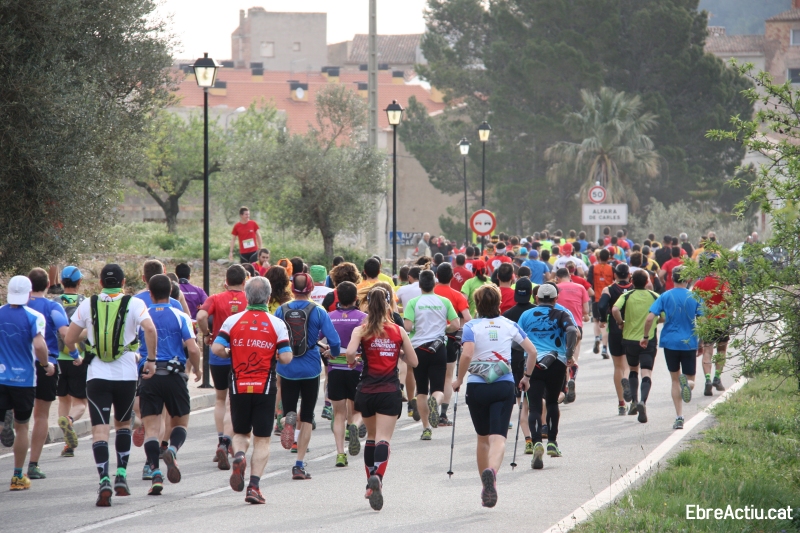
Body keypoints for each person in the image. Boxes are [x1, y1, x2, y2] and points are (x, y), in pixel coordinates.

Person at [64, 264, 157, 506]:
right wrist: (152, 360)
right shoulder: (135, 303)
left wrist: (78, 355)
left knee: (100, 430)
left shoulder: (88, 304)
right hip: (126, 374)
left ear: (101, 283)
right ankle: (122, 475)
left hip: (97, 375)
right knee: (123, 424)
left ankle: (104, 478)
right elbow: (150, 329)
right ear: (124, 282)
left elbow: (69, 338)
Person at [453, 284, 538, 507]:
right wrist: (526, 377)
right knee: (498, 437)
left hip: (477, 387)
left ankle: (485, 485)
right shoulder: (509, 325)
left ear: (477, 304)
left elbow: (467, 353)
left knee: (482, 438)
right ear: (499, 303)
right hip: (503, 384)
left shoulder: (471, 326)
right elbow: (532, 351)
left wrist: (459, 379)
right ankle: (492, 472)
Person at [211, 277, 293, 504]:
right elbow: (286, 357)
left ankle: (238, 455)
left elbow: (217, 347)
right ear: (268, 298)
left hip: (238, 385)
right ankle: (254, 487)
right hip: (265, 386)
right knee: (263, 439)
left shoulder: (232, 321)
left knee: (241, 433)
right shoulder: (276, 323)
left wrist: (231, 353)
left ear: (247, 297)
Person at [347, 286, 418, 511]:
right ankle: (377, 476)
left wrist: (353, 360)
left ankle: (370, 483)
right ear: (389, 305)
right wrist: (398, 352)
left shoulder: (362, 329)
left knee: (370, 436)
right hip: (389, 391)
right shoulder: (398, 330)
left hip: (366, 391)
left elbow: (349, 353)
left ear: (368, 304)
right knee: (384, 439)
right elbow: (414, 362)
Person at [138, 275, 201, 496]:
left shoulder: (142, 318)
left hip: (149, 375)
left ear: (150, 293)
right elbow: (192, 349)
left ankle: (155, 474)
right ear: (172, 294)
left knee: (152, 430)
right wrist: (199, 369)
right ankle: (172, 450)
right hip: (174, 375)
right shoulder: (180, 315)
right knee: (180, 423)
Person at [276, 273, 341, 479]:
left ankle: (287, 417)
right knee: (307, 416)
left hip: (286, 366)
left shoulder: (281, 310)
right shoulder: (318, 311)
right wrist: (334, 352)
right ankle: (299, 464)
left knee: (290, 407)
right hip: (311, 366)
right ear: (312, 289)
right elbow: (335, 340)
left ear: (292, 289)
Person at [0, 276, 53, 491]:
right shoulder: (35, 316)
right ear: (29, 294)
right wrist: (46, 364)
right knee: (22, 427)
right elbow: (39, 345)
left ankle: (3, 424)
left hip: (0, 377)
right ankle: (17, 476)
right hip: (23, 380)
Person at [518, 283, 578, 469]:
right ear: (555, 298)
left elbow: (515, 338)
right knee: (552, 402)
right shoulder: (562, 312)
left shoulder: (526, 315)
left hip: (532, 363)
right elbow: (573, 331)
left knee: (535, 406)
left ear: (536, 298)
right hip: (557, 363)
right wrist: (569, 355)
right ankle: (552, 442)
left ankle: (536, 442)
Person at [196, 265, 248, 469]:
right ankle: (228, 443)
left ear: (226, 281)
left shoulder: (216, 298)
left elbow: (200, 316)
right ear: (244, 282)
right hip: (239, 354)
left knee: (219, 399)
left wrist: (207, 334)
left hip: (218, 354)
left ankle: (221, 441)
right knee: (231, 402)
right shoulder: (248, 298)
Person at [24, 268, 73, 480]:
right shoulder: (53, 306)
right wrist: (76, 353)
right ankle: (33, 464)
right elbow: (65, 332)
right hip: (46, 364)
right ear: (47, 285)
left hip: (19, 364)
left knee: (21, 417)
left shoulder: (17, 306)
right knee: (41, 415)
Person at [641, 267, 702, 430]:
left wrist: (646, 337)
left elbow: (649, 319)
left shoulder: (665, 296)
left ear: (672, 278)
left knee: (674, 379)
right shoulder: (695, 296)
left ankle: (679, 417)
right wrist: (702, 341)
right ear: (688, 279)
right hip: (689, 342)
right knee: (691, 380)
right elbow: (703, 320)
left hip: (669, 342)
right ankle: (687, 385)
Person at [404, 270, 459, 440]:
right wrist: (444, 329)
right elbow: (456, 324)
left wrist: (416, 328)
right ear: (434, 284)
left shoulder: (413, 302)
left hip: (418, 349)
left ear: (419, 285)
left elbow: (407, 326)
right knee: (438, 388)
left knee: (421, 390)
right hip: (438, 348)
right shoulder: (444, 301)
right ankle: (435, 400)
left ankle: (426, 428)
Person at [325, 281, 367, 467]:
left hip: (335, 369)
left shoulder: (329, 316)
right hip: (356, 369)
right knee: (361, 411)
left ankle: (340, 454)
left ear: (338, 299)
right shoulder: (363, 317)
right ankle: (355, 427)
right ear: (356, 298)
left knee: (338, 414)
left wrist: (326, 349)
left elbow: (318, 340)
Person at [612, 270, 660, 423]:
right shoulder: (654, 296)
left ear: (631, 281)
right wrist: (654, 321)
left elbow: (614, 309)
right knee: (646, 372)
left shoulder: (626, 296)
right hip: (648, 339)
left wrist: (620, 322)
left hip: (629, 339)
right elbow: (664, 316)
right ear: (647, 282)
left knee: (633, 369)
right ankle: (643, 402)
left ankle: (633, 400)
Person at [55, 266, 89, 459]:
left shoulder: (55, 302)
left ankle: (67, 443)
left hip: (58, 358)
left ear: (61, 282)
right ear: (79, 282)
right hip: (78, 357)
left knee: (63, 399)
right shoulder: (85, 303)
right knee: (81, 403)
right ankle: (70, 420)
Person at [433, 263, 472, 426]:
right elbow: (468, 318)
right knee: (448, 377)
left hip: (427, 339)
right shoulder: (457, 295)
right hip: (449, 338)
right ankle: (442, 415)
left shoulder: (429, 293)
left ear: (436, 276)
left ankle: (432, 403)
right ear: (451, 278)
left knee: (431, 377)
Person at [502, 278, 536, 454]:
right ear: (531, 293)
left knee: (520, 400)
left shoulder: (507, 315)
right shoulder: (536, 312)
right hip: (536, 359)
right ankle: (542, 431)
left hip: (515, 361)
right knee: (538, 399)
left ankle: (528, 439)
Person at [598, 263, 635, 414]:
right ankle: (631, 395)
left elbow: (601, 306)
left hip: (614, 330)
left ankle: (621, 404)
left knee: (618, 366)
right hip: (632, 330)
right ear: (629, 275)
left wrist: (603, 319)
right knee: (630, 366)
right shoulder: (634, 289)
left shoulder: (609, 289)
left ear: (615, 275)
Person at [693, 267, 730, 395]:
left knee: (707, 350)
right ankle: (717, 378)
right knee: (721, 349)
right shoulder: (722, 282)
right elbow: (728, 297)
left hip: (707, 320)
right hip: (722, 319)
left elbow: (693, 300)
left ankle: (708, 380)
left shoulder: (699, 283)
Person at [587, 249, 615, 358]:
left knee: (596, 320)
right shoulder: (612, 269)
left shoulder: (593, 268)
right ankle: (604, 347)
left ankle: (596, 338)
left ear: (598, 257)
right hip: (607, 298)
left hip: (596, 298)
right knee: (605, 323)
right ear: (608, 258)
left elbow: (589, 282)